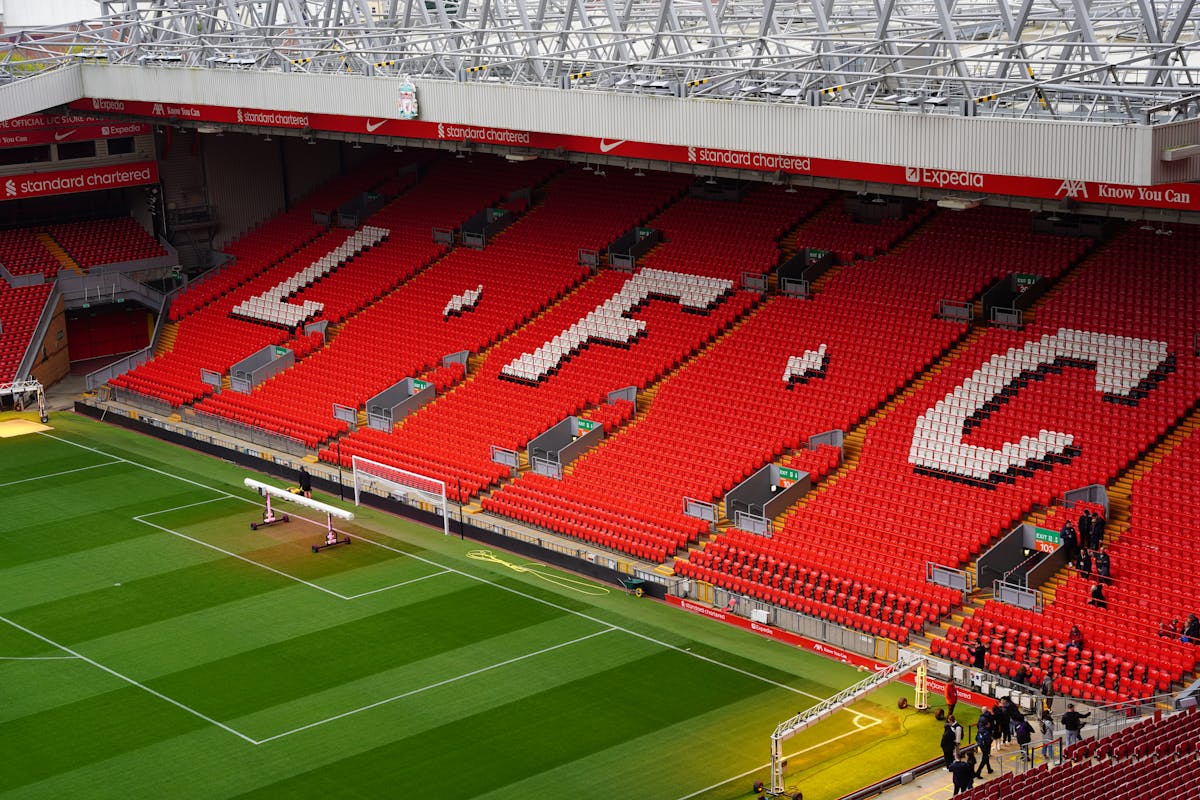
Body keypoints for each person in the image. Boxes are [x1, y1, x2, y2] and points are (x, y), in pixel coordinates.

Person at [974, 709, 995, 777]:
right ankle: (978, 772)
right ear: (987, 724)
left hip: (981, 743)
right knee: (985, 758)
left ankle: (989, 769)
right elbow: (989, 740)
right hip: (985, 744)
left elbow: (977, 737)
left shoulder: (980, 729)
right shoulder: (987, 732)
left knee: (986, 756)